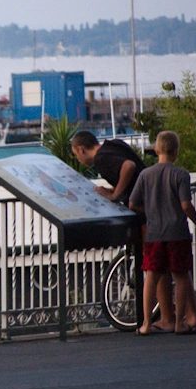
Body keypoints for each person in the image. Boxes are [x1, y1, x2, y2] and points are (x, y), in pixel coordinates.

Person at [71, 130, 177, 331]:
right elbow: (133, 170)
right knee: (165, 266)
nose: (79, 159)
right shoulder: (114, 144)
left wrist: (115, 195)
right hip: (154, 202)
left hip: (144, 211)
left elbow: (128, 167)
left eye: (76, 155)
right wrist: (118, 190)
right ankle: (174, 316)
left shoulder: (101, 159)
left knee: (156, 265)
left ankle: (166, 318)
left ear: (81, 149)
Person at [129, 131, 196, 335]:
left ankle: (146, 324)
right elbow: (186, 205)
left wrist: (149, 211)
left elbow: (132, 203)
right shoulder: (181, 175)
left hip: (154, 233)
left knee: (151, 276)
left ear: (156, 150)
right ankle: (180, 323)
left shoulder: (145, 175)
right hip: (177, 232)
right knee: (180, 276)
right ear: (176, 151)